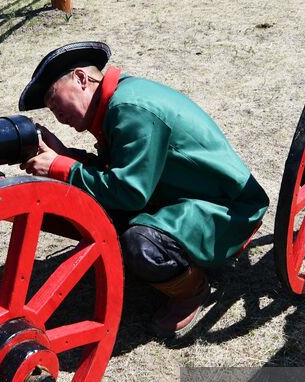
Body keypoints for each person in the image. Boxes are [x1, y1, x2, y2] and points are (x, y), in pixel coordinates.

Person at [18, 42, 269, 341]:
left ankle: (191, 290)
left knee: (142, 243)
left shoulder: (130, 108)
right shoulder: (120, 101)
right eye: (49, 108)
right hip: (178, 194)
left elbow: (128, 192)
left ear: (81, 79)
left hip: (224, 209)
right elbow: (122, 169)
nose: (55, 112)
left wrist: (62, 168)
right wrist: (66, 157)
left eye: (53, 98)